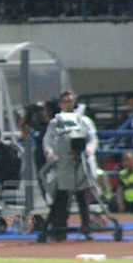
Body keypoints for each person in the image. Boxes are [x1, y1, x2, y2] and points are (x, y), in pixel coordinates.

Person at [41, 91, 97, 242]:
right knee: (61, 200)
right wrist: (49, 152)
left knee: (82, 199)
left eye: (70, 101)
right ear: (60, 104)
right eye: (64, 101)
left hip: (81, 165)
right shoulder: (55, 123)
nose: (68, 104)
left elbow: (92, 139)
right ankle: (58, 229)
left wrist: (89, 150)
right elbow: (48, 140)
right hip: (64, 165)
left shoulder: (84, 121)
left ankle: (87, 228)